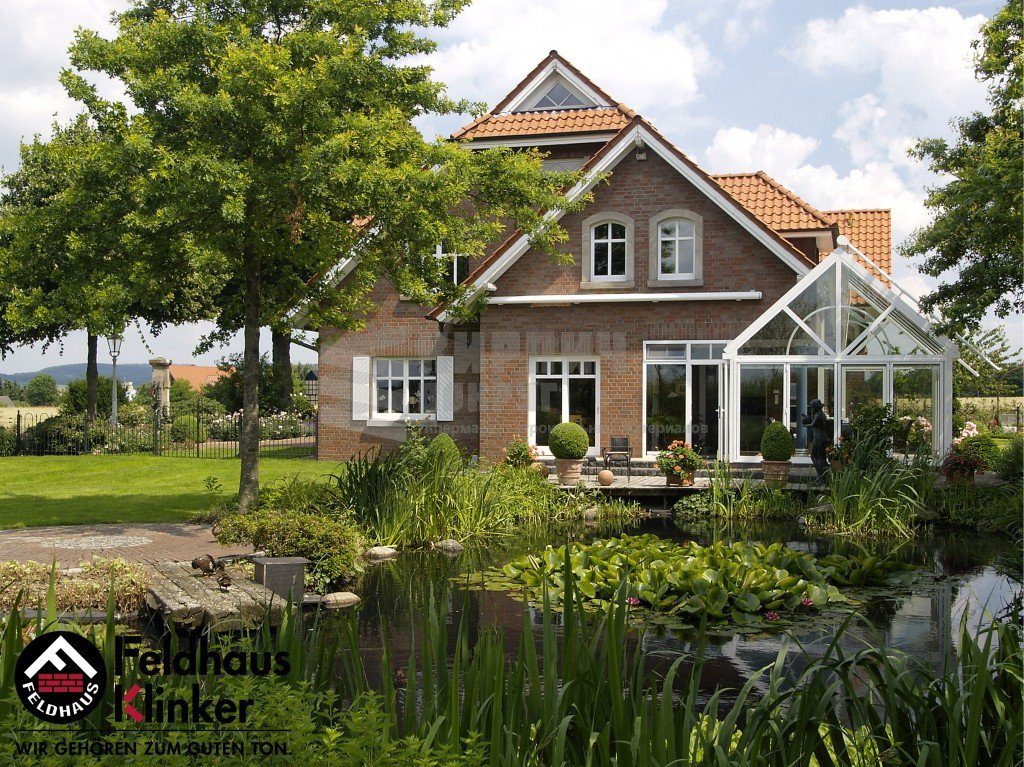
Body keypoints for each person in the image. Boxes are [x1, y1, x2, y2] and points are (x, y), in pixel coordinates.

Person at [801, 399, 831, 484]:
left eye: (812, 406)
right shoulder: (819, 414)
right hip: (820, 437)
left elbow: (812, 424)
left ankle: (820, 476)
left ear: (815, 407)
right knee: (821, 457)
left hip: (819, 438)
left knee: (814, 456)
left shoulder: (818, 414)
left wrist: (804, 425)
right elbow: (813, 422)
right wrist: (806, 417)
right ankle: (823, 476)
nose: (811, 408)